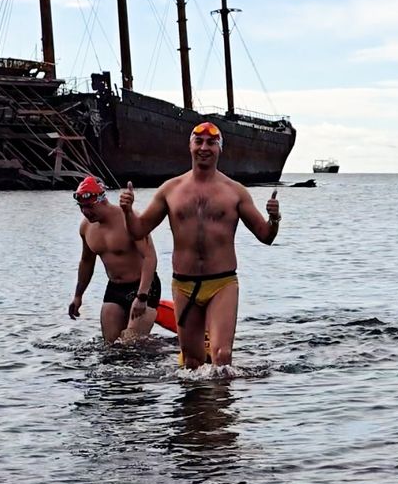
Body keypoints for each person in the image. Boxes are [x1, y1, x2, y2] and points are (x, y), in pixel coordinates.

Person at [119, 122, 280, 369]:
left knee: (222, 357)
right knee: (192, 362)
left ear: (219, 149)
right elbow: (138, 230)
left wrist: (274, 218)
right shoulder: (170, 190)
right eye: (199, 142)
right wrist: (128, 211)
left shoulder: (235, 192)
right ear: (190, 146)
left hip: (222, 283)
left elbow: (265, 236)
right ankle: (196, 408)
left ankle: (222, 408)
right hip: (183, 284)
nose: (204, 148)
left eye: (211, 143)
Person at [68, 175, 161, 343]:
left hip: (144, 286)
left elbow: (150, 258)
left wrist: (142, 297)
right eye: (81, 207)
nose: (85, 212)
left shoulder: (129, 219)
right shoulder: (86, 227)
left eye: (89, 206)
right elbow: (87, 262)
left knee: (130, 343)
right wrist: (78, 296)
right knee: (110, 346)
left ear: (102, 200)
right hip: (115, 288)